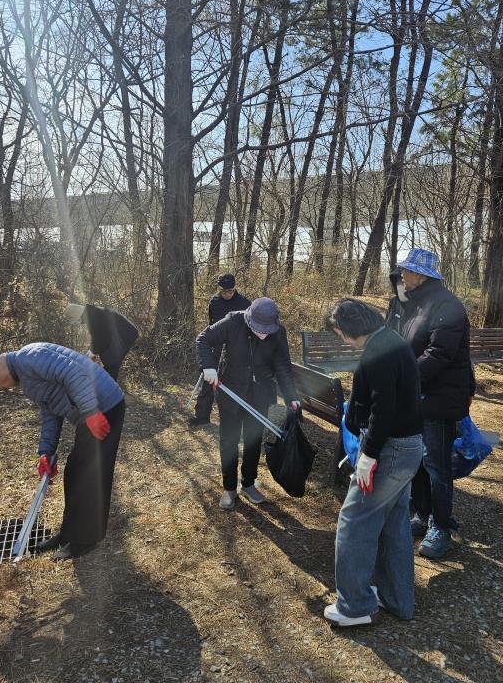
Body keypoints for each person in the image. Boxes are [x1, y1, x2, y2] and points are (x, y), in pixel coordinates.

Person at [0, 343, 126, 560]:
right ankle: (68, 533)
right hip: (91, 410)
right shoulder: (25, 377)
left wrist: (91, 412)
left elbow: (74, 372)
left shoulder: (30, 358)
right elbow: (50, 411)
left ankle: (85, 540)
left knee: (89, 475)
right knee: (74, 472)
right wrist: (46, 452)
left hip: (104, 406)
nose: (1, 388)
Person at [323, 299, 422, 627]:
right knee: (394, 525)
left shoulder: (378, 351)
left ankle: (354, 606)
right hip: (408, 448)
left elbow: (384, 408)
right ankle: (398, 599)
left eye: (338, 331)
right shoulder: (391, 340)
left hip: (389, 452)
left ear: (348, 328)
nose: (340, 337)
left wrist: (368, 455)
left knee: (354, 522)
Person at [397, 248, 474, 559]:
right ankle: (422, 514)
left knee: (437, 466)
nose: (401, 274)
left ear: (420, 275)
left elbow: (439, 354)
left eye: (406, 270)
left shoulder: (447, 306)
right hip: (418, 396)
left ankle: (441, 527)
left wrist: (403, 377)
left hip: (439, 398)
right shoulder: (417, 303)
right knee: (418, 460)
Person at [196, 297, 299, 509]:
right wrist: (208, 366)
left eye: (267, 330)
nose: (263, 334)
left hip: (260, 395)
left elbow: (283, 365)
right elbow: (203, 338)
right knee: (229, 441)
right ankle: (229, 488)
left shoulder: (279, 332)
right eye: (259, 329)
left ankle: (249, 484)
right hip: (231, 393)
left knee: (253, 441)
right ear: (250, 319)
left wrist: (291, 396)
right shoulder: (233, 321)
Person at [189, 274, 251, 427]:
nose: (227, 294)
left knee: (235, 382)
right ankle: (202, 415)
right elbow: (211, 326)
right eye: (223, 291)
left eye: (230, 291)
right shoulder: (214, 302)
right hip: (216, 346)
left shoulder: (245, 303)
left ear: (235, 288)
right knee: (208, 379)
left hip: (235, 349)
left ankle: (236, 417)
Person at [65, 302, 139, 382]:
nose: (77, 323)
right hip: (124, 333)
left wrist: (92, 352)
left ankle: (109, 385)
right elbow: (97, 337)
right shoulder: (91, 313)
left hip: (126, 334)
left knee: (110, 361)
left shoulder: (93, 317)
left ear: (77, 315)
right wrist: (92, 351)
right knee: (110, 360)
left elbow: (101, 339)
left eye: (75, 321)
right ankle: (109, 382)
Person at [385, 267, 408, 333]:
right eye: (398, 281)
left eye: (403, 282)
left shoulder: (421, 306)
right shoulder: (394, 301)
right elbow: (386, 324)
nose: (399, 285)